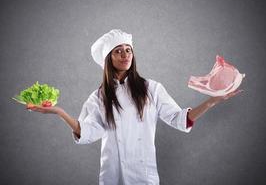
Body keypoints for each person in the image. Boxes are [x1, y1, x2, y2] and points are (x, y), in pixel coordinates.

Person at [26, 29, 243, 185]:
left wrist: (212, 100)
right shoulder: (98, 97)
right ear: (107, 59)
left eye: (128, 50)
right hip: (113, 176)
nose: (125, 54)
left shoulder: (152, 89)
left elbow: (179, 119)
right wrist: (59, 112)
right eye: (118, 51)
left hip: (144, 176)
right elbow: (88, 132)